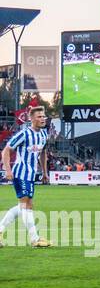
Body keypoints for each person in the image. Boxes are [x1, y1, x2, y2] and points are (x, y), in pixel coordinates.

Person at [0, 106, 52, 248]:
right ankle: (35, 239)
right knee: (27, 205)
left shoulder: (43, 135)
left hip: (31, 175)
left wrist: (45, 172)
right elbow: (6, 151)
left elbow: (42, 153)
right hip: (20, 173)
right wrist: (7, 169)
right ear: (31, 119)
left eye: (43, 116)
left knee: (22, 205)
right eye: (39, 116)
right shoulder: (24, 134)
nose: (42, 119)